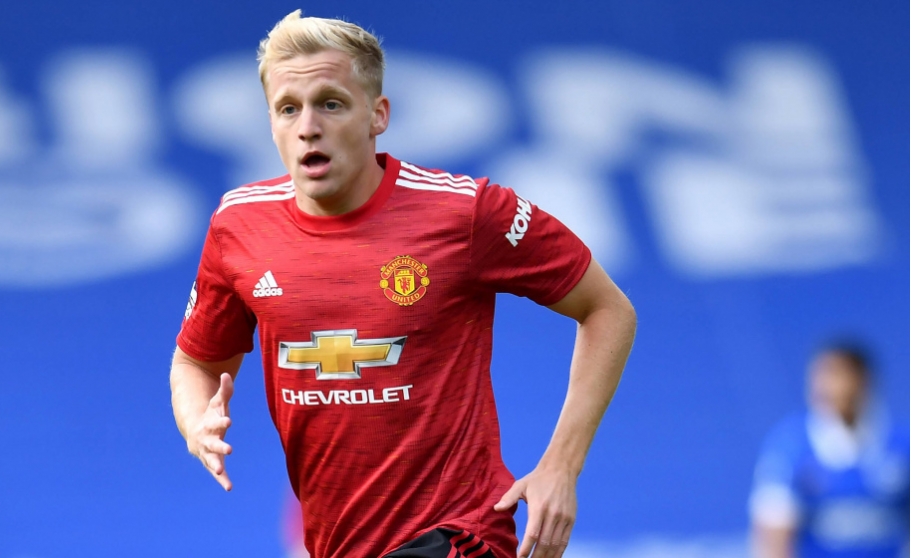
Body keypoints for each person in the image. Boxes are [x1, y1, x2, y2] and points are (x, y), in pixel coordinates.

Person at [169, 10, 637, 558]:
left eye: (331, 104)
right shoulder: (238, 226)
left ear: (378, 115)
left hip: (459, 534)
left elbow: (607, 309)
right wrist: (196, 422)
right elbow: (196, 361)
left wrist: (562, 466)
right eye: (288, 108)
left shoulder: (466, 213)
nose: (308, 127)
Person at [749, 344, 910, 558]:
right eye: (819, 377)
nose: (826, 387)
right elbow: (773, 535)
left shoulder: (902, 445)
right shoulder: (791, 446)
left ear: (863, 380)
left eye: (836, 375)